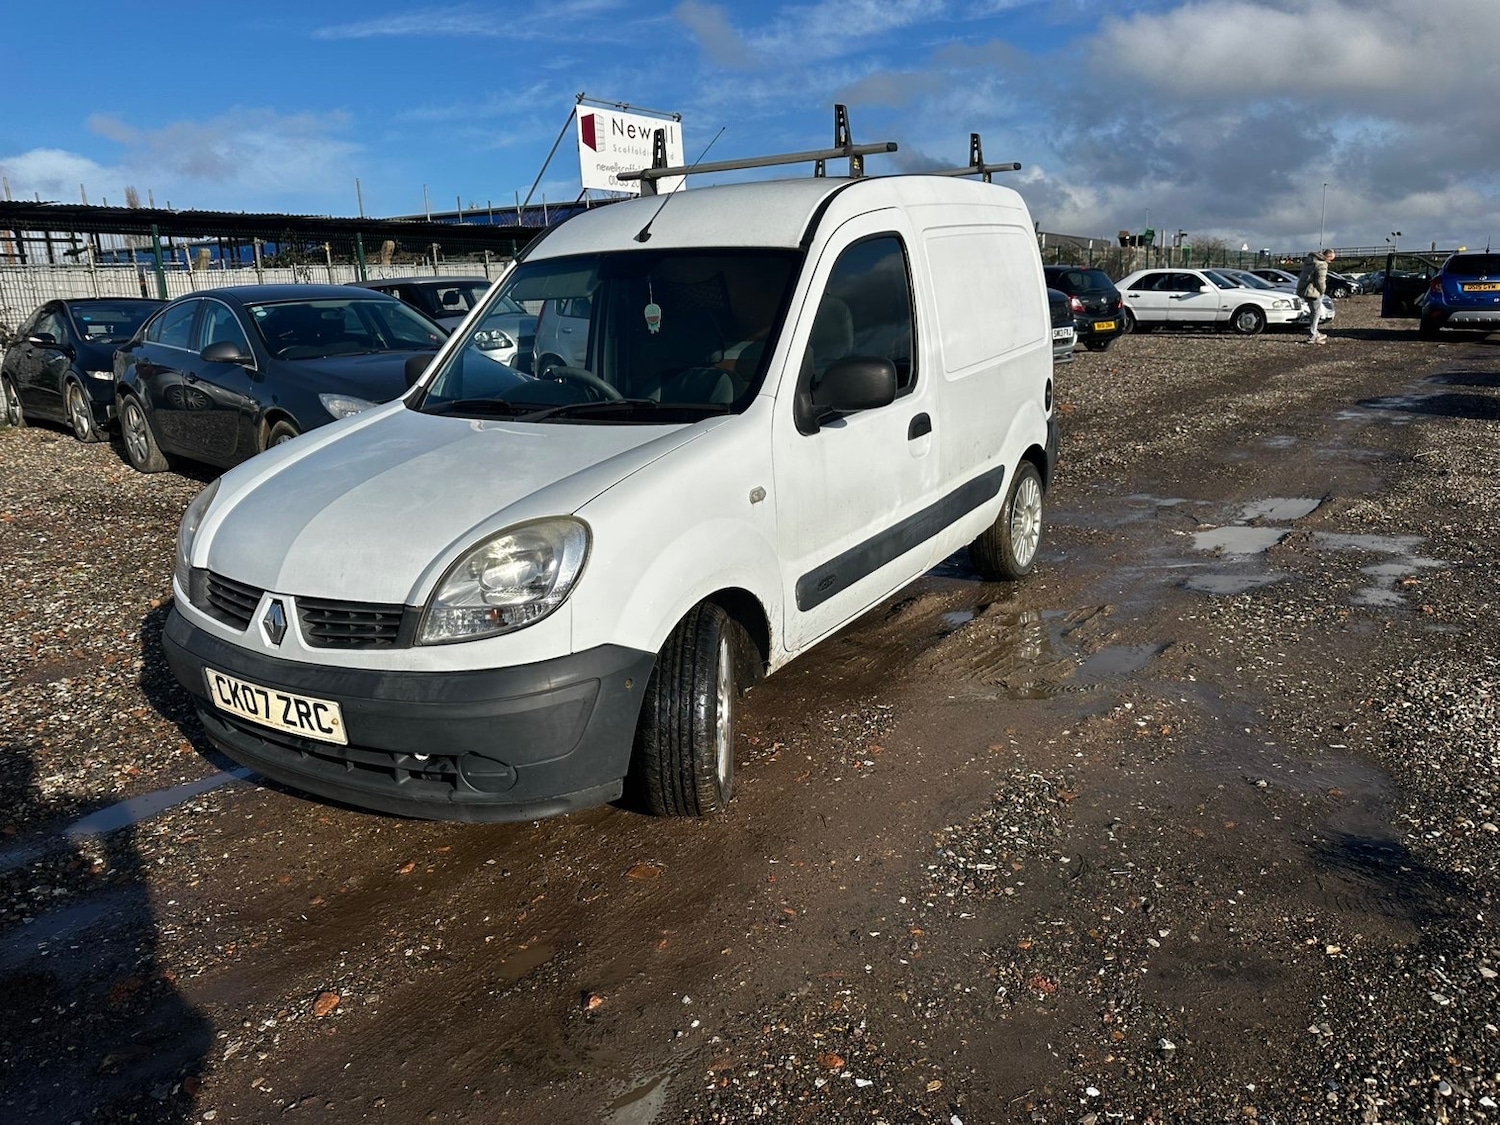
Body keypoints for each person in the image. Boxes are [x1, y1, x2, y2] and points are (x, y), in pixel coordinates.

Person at [1296, 248, 1336, 344]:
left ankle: (1316, 333)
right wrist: (1322, 291)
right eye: (1331, 259)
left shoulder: (1310, 261)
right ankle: (1313, 334)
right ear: (1328, 256)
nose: (1330, 262)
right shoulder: (1322, 265)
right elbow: (1320, 281)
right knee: (1316, 313)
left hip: (1304, 289)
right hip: (1313, 291)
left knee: (1313, 312)